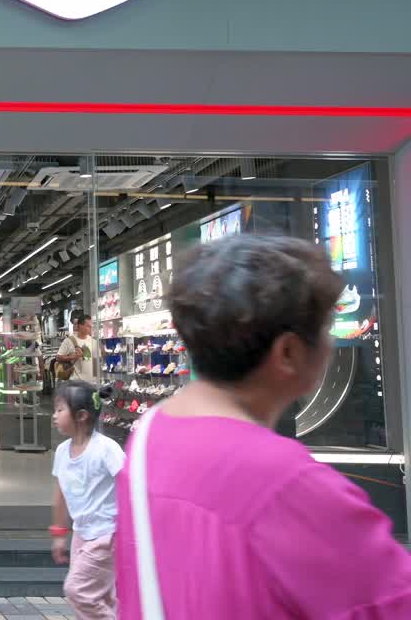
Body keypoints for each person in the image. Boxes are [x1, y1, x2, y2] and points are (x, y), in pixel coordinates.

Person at [116, 235, 411, 618]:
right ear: (288, 352)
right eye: (326, 329)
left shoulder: (150, 436)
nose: (330, 345)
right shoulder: (289, 484)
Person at [50, 381, 122, 620]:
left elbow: (131, 483)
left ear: (81, 416)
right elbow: (61, 493)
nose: (54, 415)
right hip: (81, 533)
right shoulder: (62, 451)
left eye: (60, 410)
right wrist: (59, 534)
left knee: (78, 591)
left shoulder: (106, 449)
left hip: (107, 534)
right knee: (101, 596)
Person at [56, 313, 95, 381]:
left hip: (93, 382)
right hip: (77, 382)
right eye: (88, 326)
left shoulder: (93, 341)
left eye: (91, 326)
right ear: (80, 326)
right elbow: (58, 357)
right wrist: (74, 356)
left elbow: (96, 361)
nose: (90, 328)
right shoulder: (69, 340)